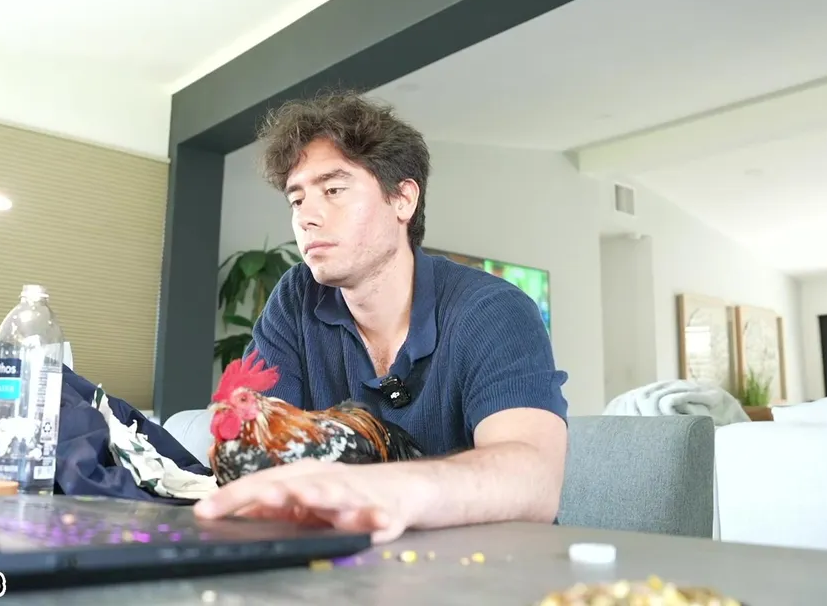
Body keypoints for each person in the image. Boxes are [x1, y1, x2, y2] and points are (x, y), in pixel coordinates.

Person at [193, 90, 569, 544]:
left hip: (491, 562)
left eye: (333, 190)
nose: (307, 217)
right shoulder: (297, 297)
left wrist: (379, 489)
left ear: (403, 200)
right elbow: (259, 448)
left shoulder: (493, 310)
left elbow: (534, 480)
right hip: (343, 561)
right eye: (296, 200)